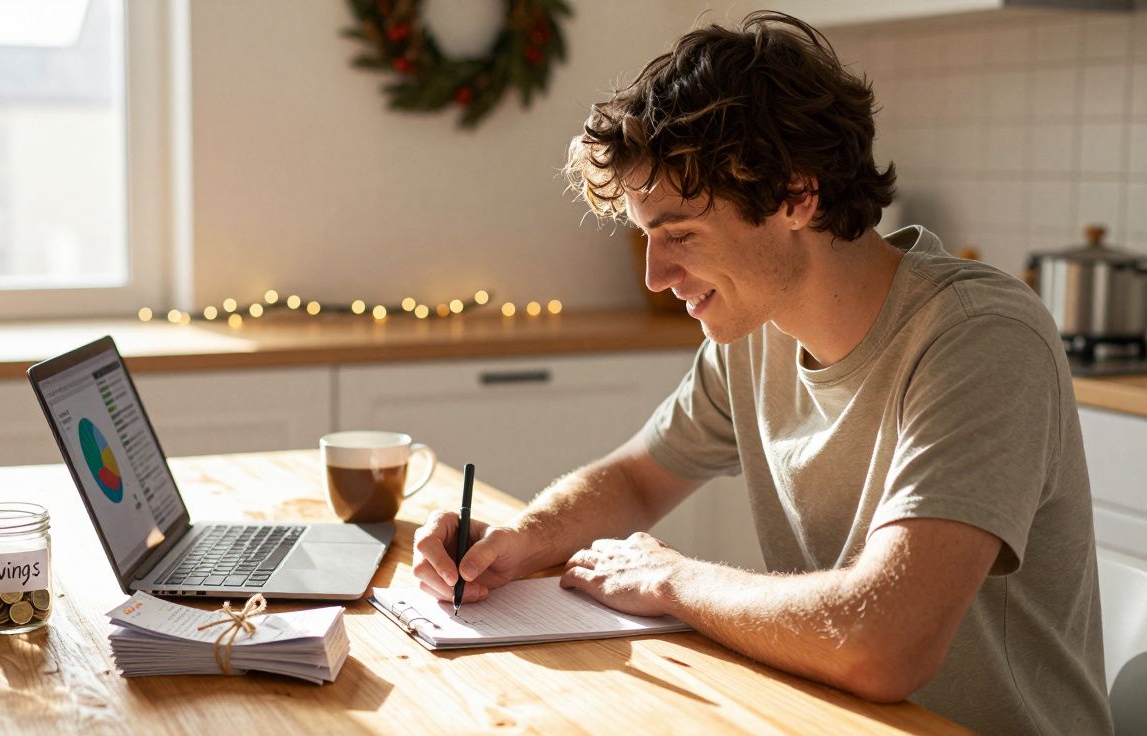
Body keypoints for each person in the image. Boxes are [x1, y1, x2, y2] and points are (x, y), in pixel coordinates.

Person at [411, 10, 1113, 734]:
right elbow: (636, 479)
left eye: (678, 234)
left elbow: (885, 647)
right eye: (647, 237)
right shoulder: (755, 329)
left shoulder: (977, 338)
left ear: (796, 196)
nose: (655, 275)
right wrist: (521, 538)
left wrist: (674, 579)